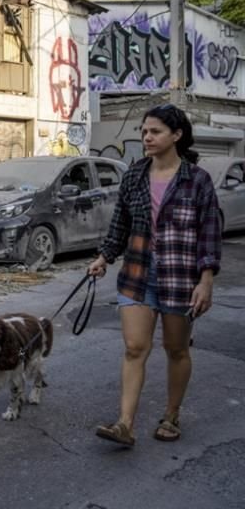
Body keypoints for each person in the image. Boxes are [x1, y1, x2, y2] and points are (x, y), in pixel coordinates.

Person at [88, 103, 221, 447]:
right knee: (134, 347)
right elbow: (121, 223)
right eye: (144, 131)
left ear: (176, 135)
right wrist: (104, 257)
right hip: (137, 274)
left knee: (176, 349)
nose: (147, 137)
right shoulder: (134, 175)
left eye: (155, 131)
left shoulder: (197, 180)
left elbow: (209, 232)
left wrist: (205, 281)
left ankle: (171, 416)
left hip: (181, 279)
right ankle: (125, 424)